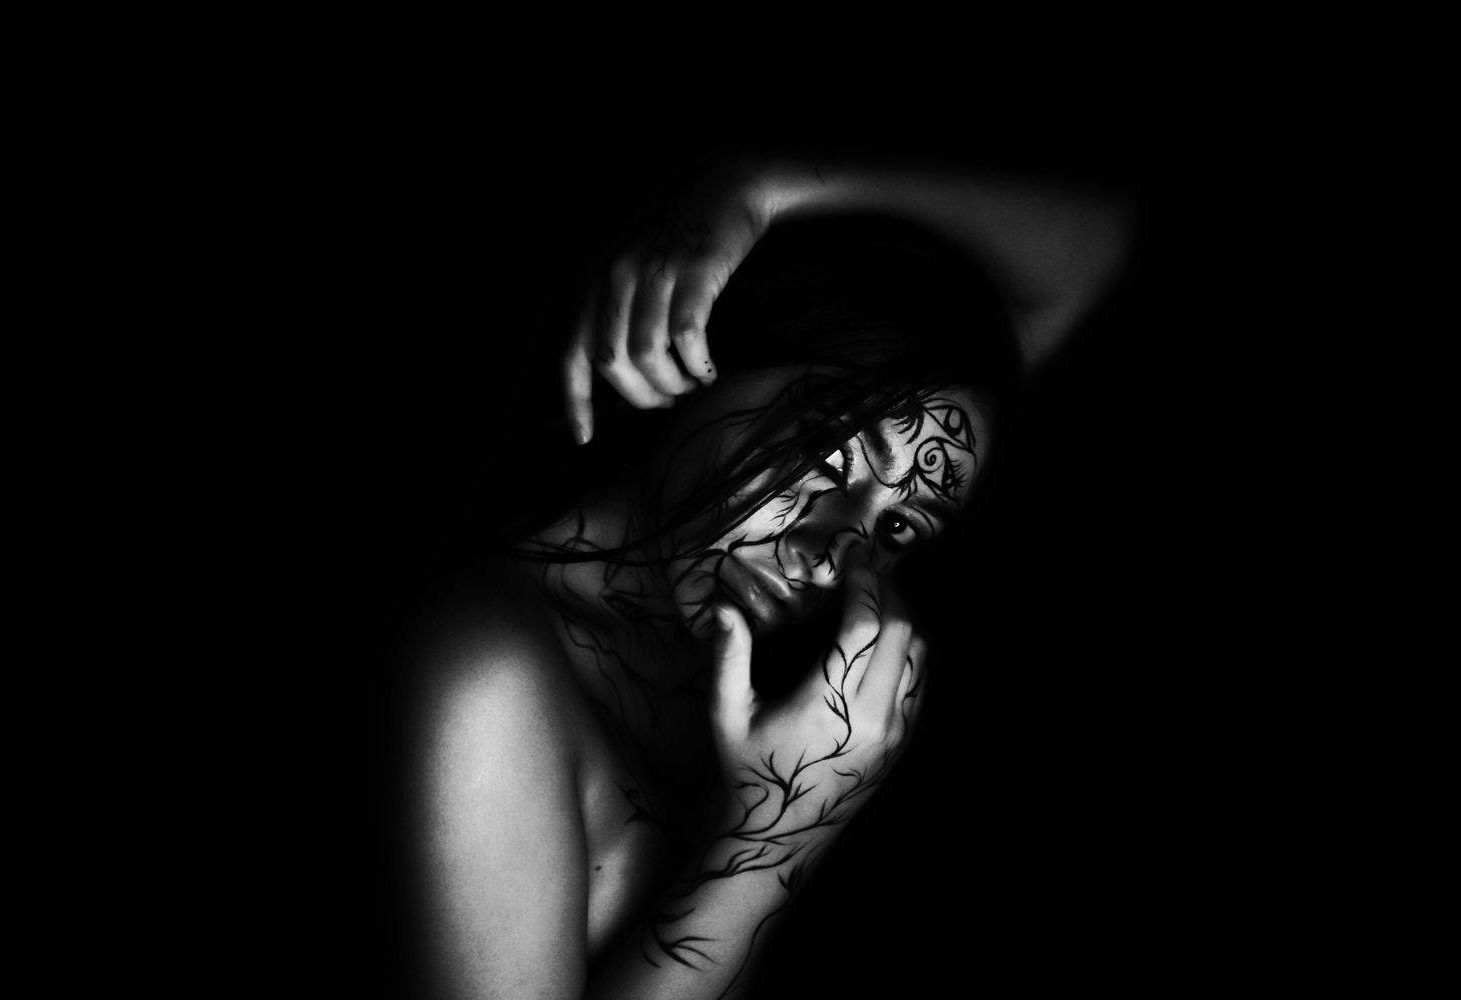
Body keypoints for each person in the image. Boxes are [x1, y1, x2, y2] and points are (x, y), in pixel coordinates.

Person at [406, 150, 1134, 999]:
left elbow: (1095, 246)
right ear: (713, 351)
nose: (833, 551)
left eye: (898, 526)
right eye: (829, 457)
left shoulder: (771, 671)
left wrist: (765, 189)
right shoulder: (488, 669)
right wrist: (774, 841)